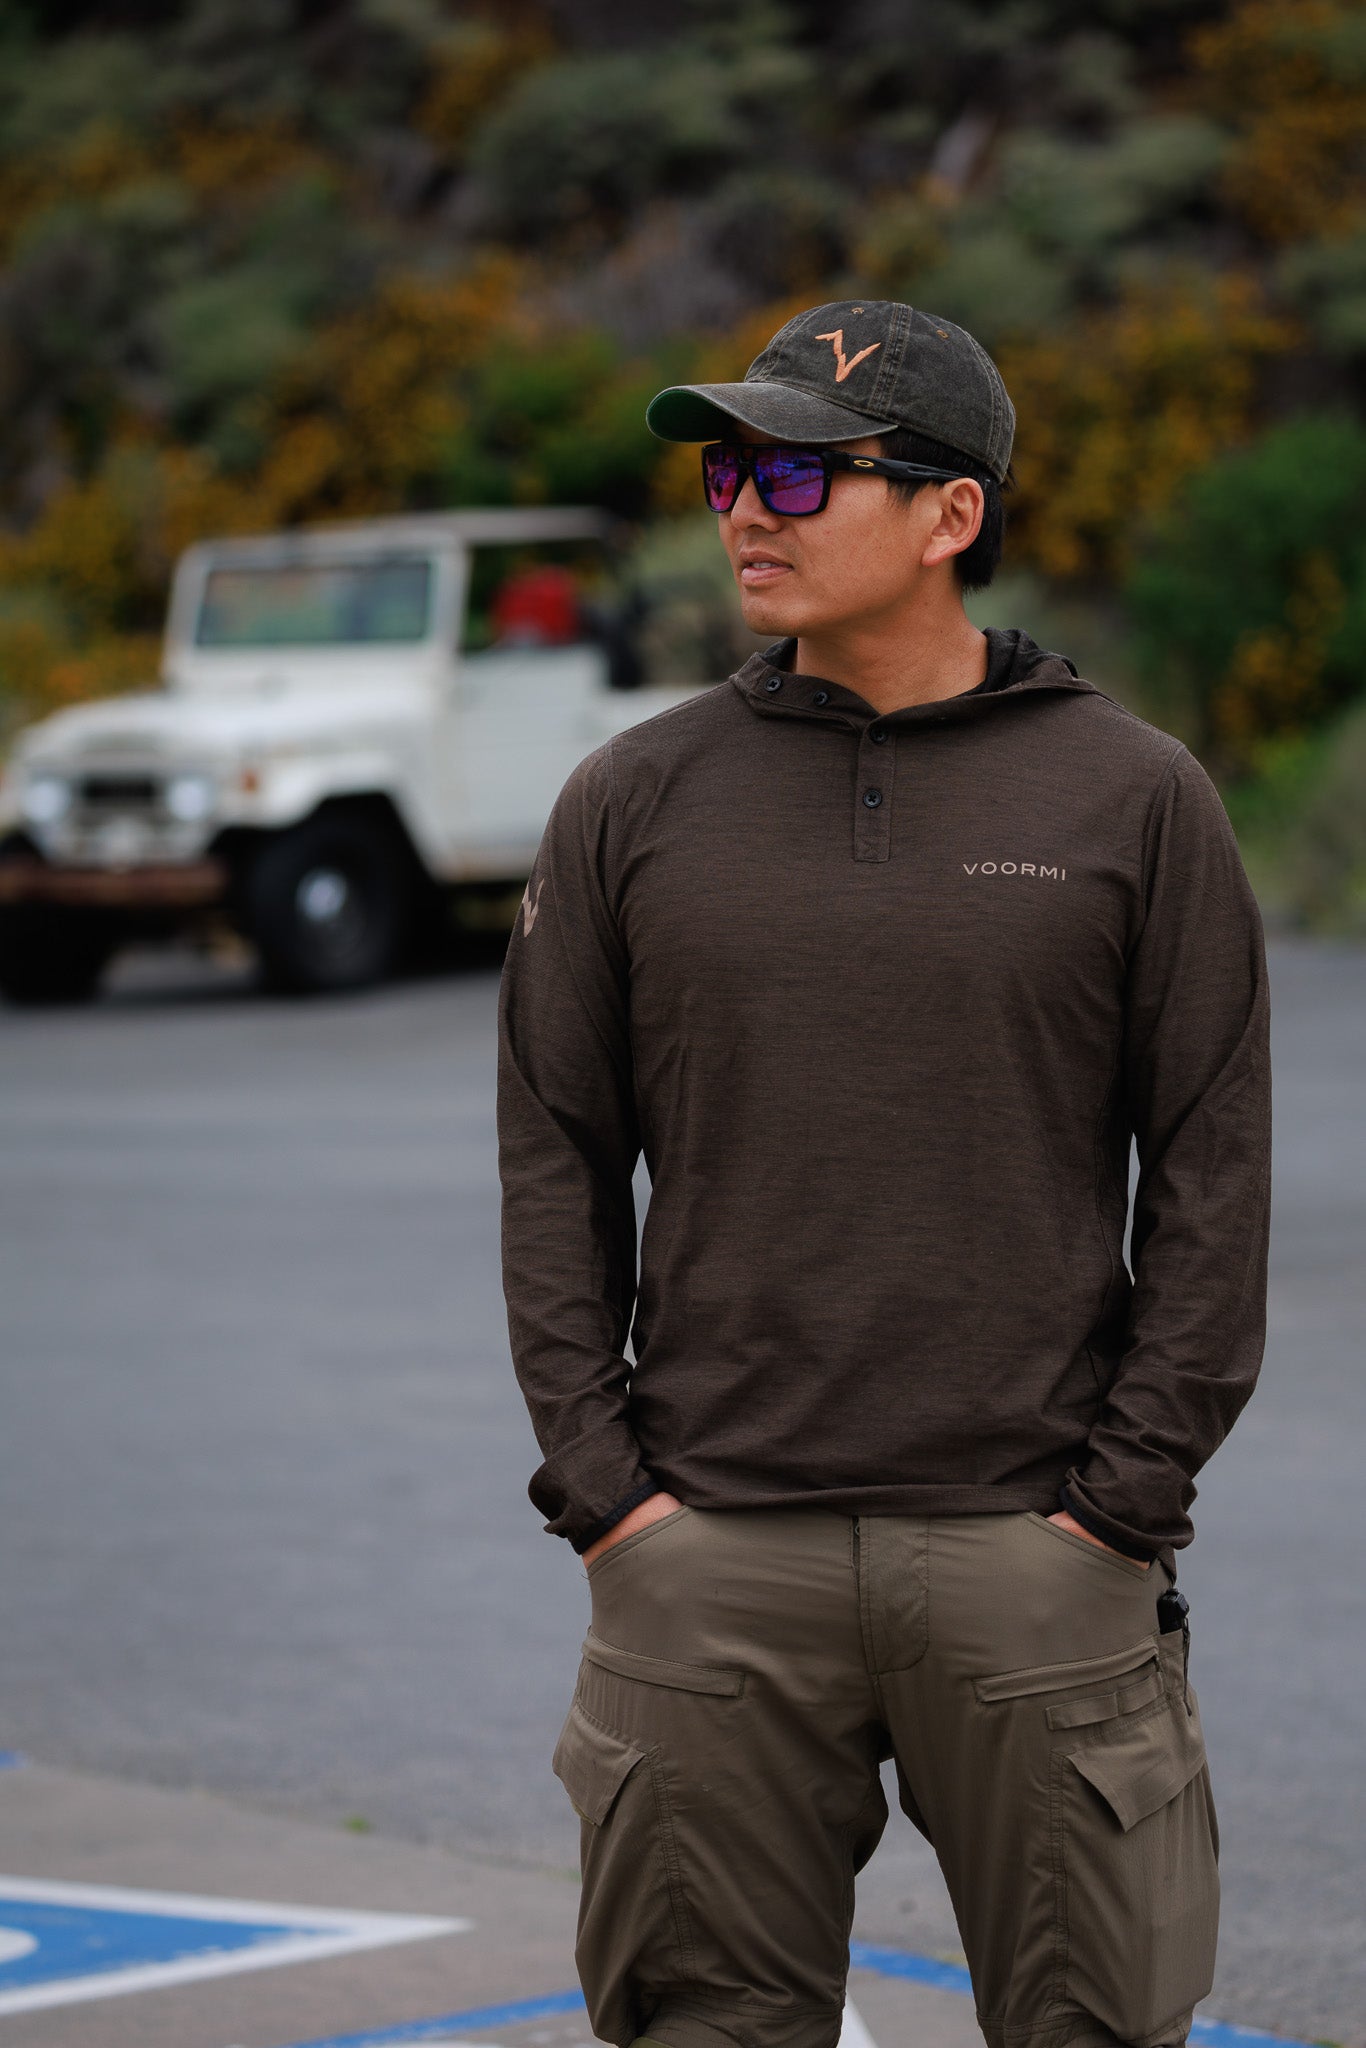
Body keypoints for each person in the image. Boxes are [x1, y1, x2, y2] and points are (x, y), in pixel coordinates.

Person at [496, 299, 1272, 2048]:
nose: (744, 510)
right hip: (708, 1559)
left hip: (1032, 1555)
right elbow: (553, 1153)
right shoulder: (629, 802)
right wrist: (609, 1497)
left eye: (796, 469)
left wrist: (1116, 1512)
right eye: (721, 472)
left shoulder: (1137, 799)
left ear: (950, 514)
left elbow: (1214, 1176)